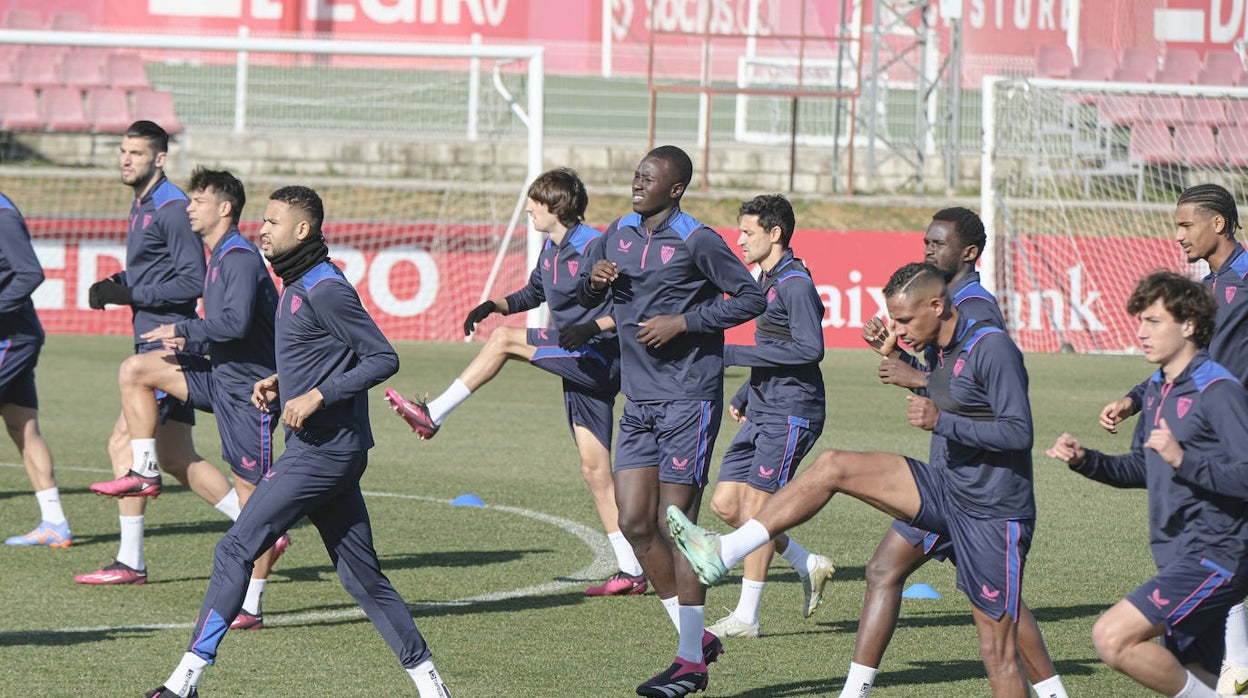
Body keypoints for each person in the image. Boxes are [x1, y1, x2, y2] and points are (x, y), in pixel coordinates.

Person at [668, 262, 1037, 697]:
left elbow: (1018, 431)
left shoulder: (992, 347)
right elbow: (955, 395)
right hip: (946, 488)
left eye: (903, 321)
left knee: (998, 653)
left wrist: (939, 417)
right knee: (834, 467)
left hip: (990, 514)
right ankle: (726, 550)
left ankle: (1052, 691)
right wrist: (899, 360)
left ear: (937, 306)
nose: (897, 329)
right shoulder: (941, 346)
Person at [145, 186, 451, 697]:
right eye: (262, 220)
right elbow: (328, 353)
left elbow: (381, 357)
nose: (262, 228)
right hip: (328, 450)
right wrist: (281, 382)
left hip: (323, 452)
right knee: (361, 579)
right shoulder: (296, 281)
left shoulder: (324, 287)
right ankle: (432, 687)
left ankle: (185, 682)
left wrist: (317, 397)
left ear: (302, 230)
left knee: (235, 549)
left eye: (272, 221)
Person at [383, 168, 645, 596]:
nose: (527, 209)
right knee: (595, 471)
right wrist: (492, 305)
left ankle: (434, 414)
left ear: (556, 206)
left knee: (505, 342)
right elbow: (533, 294)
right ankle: (632, 570)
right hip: (575, 359)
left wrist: (594, 329)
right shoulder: (550, 248)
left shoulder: (596, 246)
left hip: (598, 356)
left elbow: (627, 307)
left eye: (534, 203)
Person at [854, 208, 1068, 698]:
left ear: (969, 253)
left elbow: (972, 396)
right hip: (951, 474)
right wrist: (899, 355)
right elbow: (951, 386)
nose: (927, 251)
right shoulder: (950, 303)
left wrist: (914, 376)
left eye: (937, 245)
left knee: (994, 618)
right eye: (926, 243)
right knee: (905, 575)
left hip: (976, 488)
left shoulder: (977, 310)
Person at [577, 145, 766, 697]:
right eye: (636, 174)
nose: (638, 181)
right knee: (636, 522)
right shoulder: (617, 232)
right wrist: (596, 282)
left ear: (676, 187)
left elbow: (750, 298)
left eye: (649, 176)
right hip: (637, 400)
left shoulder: (698, 238)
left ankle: (690, 663)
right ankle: (696, 638)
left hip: (688, 399)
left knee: (678, 527)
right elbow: (592, 291)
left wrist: (684, 321)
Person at [89, 167, 287, 628]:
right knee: (137, 369)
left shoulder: (237, 257)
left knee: (252, 504)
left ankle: (252, 605)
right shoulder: (217, 255)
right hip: (219, 374)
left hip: (247, 391)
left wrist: (184, 332)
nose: (189, 207)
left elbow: (235, 326)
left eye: (198, 200)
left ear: (225, 208)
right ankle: (144, 471)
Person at [1048, 271, 1248, 698]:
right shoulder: (1157, 391)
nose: (1140, 332)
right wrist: (1086, 461)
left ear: (1189, 326)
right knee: (1186, 668)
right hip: (1176, 555)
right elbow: (1141, 469)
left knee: (1112, 638)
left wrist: (1184, 459)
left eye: (1153, 321)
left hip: (1219, 555)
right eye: (1139, 320)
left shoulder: (1219, 390)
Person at [1093, 184, 1248, 694]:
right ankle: (1232, 665)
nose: (1177, 235)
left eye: (1185, 225)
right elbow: (1188, 363)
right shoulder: (1211, 285)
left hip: (1225, 436)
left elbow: (1208, 371)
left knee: (1218, 552)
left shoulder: (1243, 283)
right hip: (1204, 434)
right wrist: (1136, 398)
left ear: (1219, 224)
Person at [76, 121, 242, 586]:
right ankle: (257, 527)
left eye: (137, 153)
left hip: (166, 345)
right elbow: (159, 272)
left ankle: (131, 561)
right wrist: (122, 286)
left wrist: (127, 292)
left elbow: (193, 281)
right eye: (123, 151)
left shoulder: (171, 208)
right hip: (156, 340)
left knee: (121, 445)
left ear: (161, 158)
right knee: (175, 456)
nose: (126, 159)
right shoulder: (144, 203)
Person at [704, 193, 834, 639]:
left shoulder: (795, 283)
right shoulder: (768, 277)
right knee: (725, 504)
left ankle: (747, 616)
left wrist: (734, 354)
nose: (738, 240)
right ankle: (806, 561)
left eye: (747, 231)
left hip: (793, 411)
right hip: (763, 404)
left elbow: (810, 348)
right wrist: (746, 388)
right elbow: (776, 343)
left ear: (775, 234)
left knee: (759, 509)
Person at [0, 192, 72, 548]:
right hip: (14, 336)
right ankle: (55, 523)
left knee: (23, 428)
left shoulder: (3, 216)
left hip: (11, 338)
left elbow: (30, 272)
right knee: (22, 427)